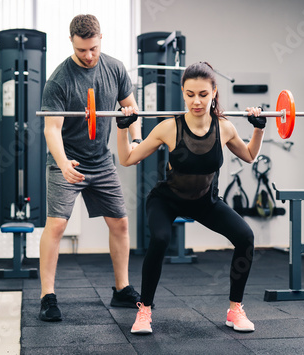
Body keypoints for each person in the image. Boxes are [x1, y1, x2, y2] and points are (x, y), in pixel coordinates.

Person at [116, 61, 266, 334]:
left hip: (206, 202)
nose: (196, 101)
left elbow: (250, 155)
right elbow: (127, 159)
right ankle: (144, 311)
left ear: (214, 92)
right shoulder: (168, 128)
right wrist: (122, 128)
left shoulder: (225, 128)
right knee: (161, 239)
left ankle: (235, 310)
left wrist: (258, 129)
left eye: (203, 94)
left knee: (245, 237)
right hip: (167, 199)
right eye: (190, 94)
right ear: (183, 93)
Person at [38, 14, 142, 322]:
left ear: (100, 39)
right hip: (66, 160)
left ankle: (122, 289)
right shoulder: (59, 79)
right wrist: (61, 162)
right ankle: (47, 296)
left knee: (120, 224)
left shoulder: (115, 68)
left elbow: (131, 110)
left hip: (101, 161)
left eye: (93, 48)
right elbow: (51, 130)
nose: (89, 55)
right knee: (56, 225)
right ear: (71, 40)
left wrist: (135, 138)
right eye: (83, 49)